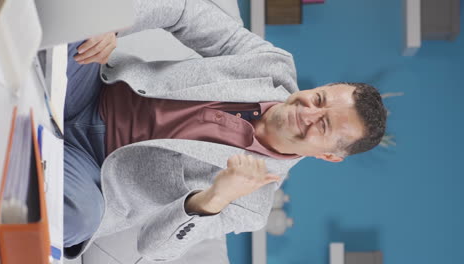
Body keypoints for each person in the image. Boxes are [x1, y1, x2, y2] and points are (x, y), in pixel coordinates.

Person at [63, 0, 387, 261]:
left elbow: (154, 248)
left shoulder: (251, 205)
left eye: (323, 124)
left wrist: (215, 197)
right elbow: (185, 11)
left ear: (329, 155)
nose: (307, 112)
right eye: (319, 99)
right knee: (79, 21)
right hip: (94, 88)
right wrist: (117, 25)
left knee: (78, 219)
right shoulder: (270, 64)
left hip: (93, 173)